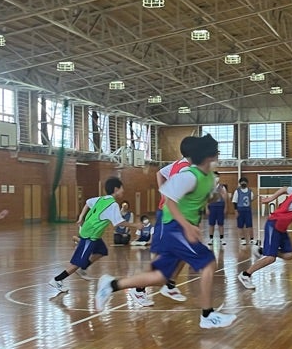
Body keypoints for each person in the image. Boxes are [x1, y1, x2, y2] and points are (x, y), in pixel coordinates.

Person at [95, 135, 235, 329]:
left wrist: (213, 198)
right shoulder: (188, 175)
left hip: (180, 228)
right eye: (216, 152)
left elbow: (200, 199)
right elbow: (169, 201)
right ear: (207, 155)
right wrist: (187, 226)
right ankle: (207, 314)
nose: (218, 155)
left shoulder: (209, 177)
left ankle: (111, 285)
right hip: (174, 228)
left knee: (160, 276)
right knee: (208, 262)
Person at [47, 178, 151, 302]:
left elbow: (87, 203)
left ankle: (83, 267)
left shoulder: (101, 199)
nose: (123, 191)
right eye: (122, 188)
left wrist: (81, 217)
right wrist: (136, 225)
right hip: (89, 235)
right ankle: (57, 280)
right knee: (76, 263)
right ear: (116, 189)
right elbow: (118, 223)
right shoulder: (113, 205)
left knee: (101, 251)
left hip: (92, 234)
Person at [152, 136, 198, 302]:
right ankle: (139, 289)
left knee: (184, 251)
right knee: (164, 255)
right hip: (169, 215)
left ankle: (169, 285)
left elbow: (159, 172)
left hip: (178, 215)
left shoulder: (180, 164)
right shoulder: (184, 168)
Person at [233, 176, 254, 245]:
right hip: (240, 210)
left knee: (249, 225)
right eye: (242, 182)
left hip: (247, 210)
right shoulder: (237, 191)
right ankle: (242, 239)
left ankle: (251, 239)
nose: (243, 183)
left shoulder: (250, 191)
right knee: (240, 226)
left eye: (244, 182)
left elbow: (252, 199)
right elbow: (234, 202)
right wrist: (236, 211)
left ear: (247, 183)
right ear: (240, 183)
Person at [206, 181, 228, 245]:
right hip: (212, 206)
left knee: (221, 224)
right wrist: (206, 208)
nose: (216, 178)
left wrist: (225, 207)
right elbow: (206, 198)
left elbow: (225, 198)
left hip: (220, 206)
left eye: (217, 176)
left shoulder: (222, 187)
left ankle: (222, 239)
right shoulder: (209, 187)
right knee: (211, 224)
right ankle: (211, 239)